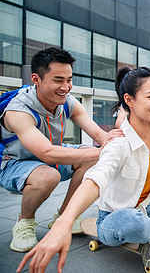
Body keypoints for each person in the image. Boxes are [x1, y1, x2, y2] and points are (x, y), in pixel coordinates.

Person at [17, 67, 150, 272]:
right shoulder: (119, 143)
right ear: (129, 100)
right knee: (129, 220)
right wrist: (64, 222)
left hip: (146, 210)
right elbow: (95, 180)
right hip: (115, 218)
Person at [0, 47, 123, 253]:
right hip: (14, 162)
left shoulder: (68, 102)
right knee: (49, 176)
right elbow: (46, 153)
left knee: (93, 160)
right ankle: (25, 223)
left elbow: (98, 135)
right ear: (36, 79)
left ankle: (65, 217)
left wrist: (113, 142)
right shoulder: (18, 110)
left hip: (52, 155)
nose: (66, 87)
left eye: (69, 79)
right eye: (58, 80)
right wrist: (102, 152)